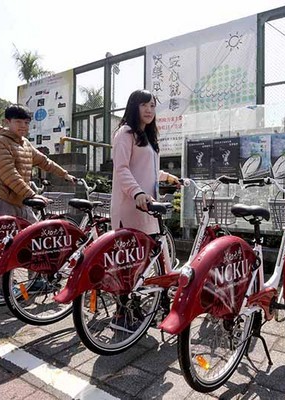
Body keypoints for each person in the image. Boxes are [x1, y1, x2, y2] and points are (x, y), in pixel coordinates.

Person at [110, 89, 180, 332]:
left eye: (152, 105)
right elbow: (122, 169)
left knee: (143, 263)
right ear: (133, 107)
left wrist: (167, 176)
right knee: (129, 263)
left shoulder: (147, 136)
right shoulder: (125, 133)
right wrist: (138, 193)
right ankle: (121, 314)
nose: (149, 110)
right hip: (131, 207)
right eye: (144, 105)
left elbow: (147, 169)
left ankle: (135, 306)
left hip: (148, 209)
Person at [0, 104, 76, 221]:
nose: (23, 126)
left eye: (26, 123)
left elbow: (44, 161)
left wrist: (64, 174)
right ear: (7, 122)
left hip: (22, 200)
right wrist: (32, 194)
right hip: (3, 200)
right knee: (5, 238)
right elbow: (9, 174)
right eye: (18, 122)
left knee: (34, 234)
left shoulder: (25, 143)